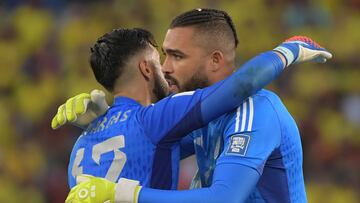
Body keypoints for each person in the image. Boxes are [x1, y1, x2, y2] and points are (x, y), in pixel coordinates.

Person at [58, 9, 332, 203]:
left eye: (176, 56)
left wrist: (124, 194)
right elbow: (140, 150)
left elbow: (224, 198)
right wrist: (103, 123)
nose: (164, 68)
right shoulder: (196, 119)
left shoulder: (255, 111)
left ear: (214, 60)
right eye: (163, 56)